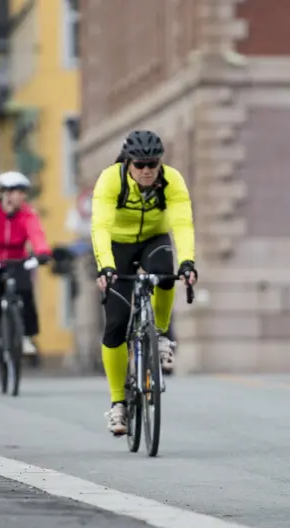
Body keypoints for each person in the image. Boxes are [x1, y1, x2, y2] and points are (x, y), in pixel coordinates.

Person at [91, 129, 198, 435]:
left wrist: (188, 261)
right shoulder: (111, 179)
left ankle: (162, 335)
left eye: (153, 164)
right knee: (115, 326)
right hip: (117, 245)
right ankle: (117, 404)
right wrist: (106, 267)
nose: (147, 170)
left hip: (153, 238)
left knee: (165, 273)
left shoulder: (171, 179)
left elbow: (182, 222)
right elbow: (100, 225)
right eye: (140, 165)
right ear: (128, 162)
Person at [0, 171, 52, 370]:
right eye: (17, 191)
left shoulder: (27, 213)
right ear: (5, 194)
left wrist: (42, 252)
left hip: (17, 260)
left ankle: (26, 338)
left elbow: (36, 234)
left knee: (26, 293)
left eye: (23, 192)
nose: (22, 196)